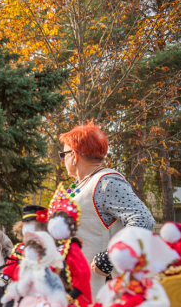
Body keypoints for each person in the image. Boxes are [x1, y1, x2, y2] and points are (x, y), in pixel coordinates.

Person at [58, 122, 154, 296]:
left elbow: (143, 220)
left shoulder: (106, 182)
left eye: (63, 154)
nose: (62, 160)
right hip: (79, 285)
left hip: (103, 289)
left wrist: (111, 257)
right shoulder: (84, 184)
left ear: (74, 155)